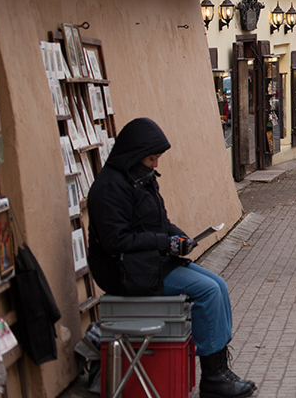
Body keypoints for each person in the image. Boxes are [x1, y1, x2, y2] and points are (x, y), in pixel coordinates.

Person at [86, 118, 256, 398]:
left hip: (147, 262)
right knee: (207, 291)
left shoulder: (142, 179)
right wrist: (164, 243)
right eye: (152, 158)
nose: (155, 164)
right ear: (134, 154)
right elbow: (116, 242)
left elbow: (160, 223)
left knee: (218, 285)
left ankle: (219, 368)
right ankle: (213, 379)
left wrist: (180, 238)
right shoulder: (110, 187)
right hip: (124, 271)